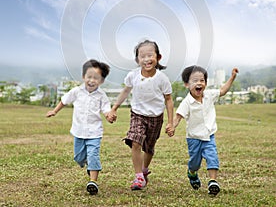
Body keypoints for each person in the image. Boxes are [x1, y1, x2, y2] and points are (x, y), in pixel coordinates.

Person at [108, 40, 175, 190]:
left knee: (149, 148)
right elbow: (125, 91)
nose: (146, 59)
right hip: (137, 114)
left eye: (150, 55)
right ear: (137, 60)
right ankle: (138, 177)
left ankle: (144, 170)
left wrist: (170, 122)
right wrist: (114, 108)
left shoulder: (162, 79)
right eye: (142, 56)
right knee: (135, 141)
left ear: (158, 57)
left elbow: (169, 100)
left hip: (156, 118)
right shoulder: (133, 75)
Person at [46, 59, 114, 195]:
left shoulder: (102, 95)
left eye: (96, 78)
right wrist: (54, 111)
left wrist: (109, 116)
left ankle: (93, 181)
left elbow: (106, 109)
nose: (92, 80)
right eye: (89, 77)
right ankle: (89, 165)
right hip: (78, 131)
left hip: (94, 132)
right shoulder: (76, 91)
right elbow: (64, 101)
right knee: (78, 157)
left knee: (93, 155)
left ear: (101, 81)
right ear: (83, 77)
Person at [172, 65, 239, 196]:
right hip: (194, 138)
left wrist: (232, 77)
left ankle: (212, 182)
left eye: (202, 80)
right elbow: (178, 116)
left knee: (212, 157)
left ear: (206, 83)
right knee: (195, 163)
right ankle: (192, 173)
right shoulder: (187, 102)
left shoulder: (209, 95)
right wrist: (172, 127)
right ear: (187, 84)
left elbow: (223, 91)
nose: (199, 83)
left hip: (209, 136)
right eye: (195, 80)